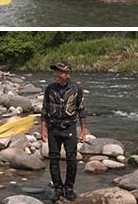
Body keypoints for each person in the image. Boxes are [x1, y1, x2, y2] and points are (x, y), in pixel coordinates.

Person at [41, 63, 87, 202]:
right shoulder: (49, 89)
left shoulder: (77, 89)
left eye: (59, 72)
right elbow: (44, 109)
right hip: (53, 128)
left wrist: (83, 131)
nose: (56, 75)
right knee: (53, 159)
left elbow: (82, 110)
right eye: (55, 72)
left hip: (69, 128)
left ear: (67, 74)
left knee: (71, 159)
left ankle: (69, 188)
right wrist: (43, 129)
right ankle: (58, 188)